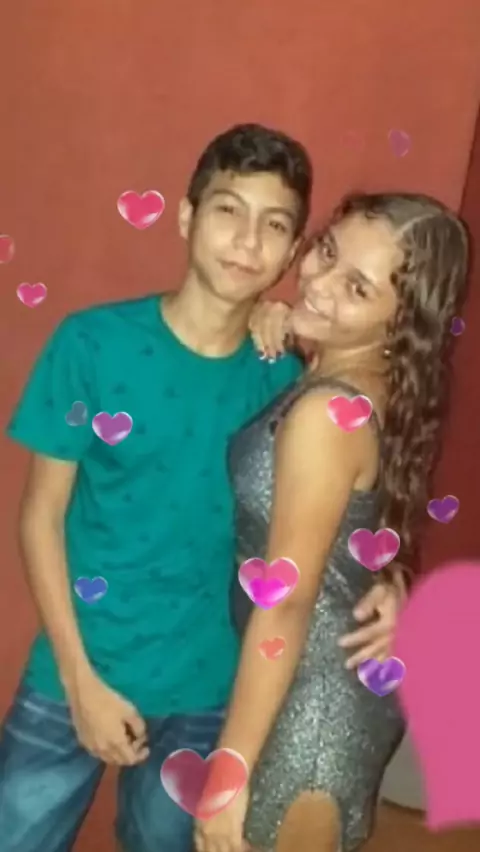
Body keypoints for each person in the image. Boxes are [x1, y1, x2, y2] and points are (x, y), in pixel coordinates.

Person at [0, 124, 404, 852]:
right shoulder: (91, 344)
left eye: (274, 225)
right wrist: (79, 680)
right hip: (74, 673)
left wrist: (393, 577)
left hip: (209, 695)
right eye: (227, 210)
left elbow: (344, 507)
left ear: (292, 251)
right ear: (187, 217)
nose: (247, 241)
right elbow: (40, 518)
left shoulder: (289, 382)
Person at [194, 191, 469, 852]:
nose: (317, 283)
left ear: (398, 320)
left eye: (357, 287)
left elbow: (285, 605)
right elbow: (360, 527)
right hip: (316, 684)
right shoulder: (367, 381)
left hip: (310, 713)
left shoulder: (326, 416)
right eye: (327, 251)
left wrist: (227, 775)